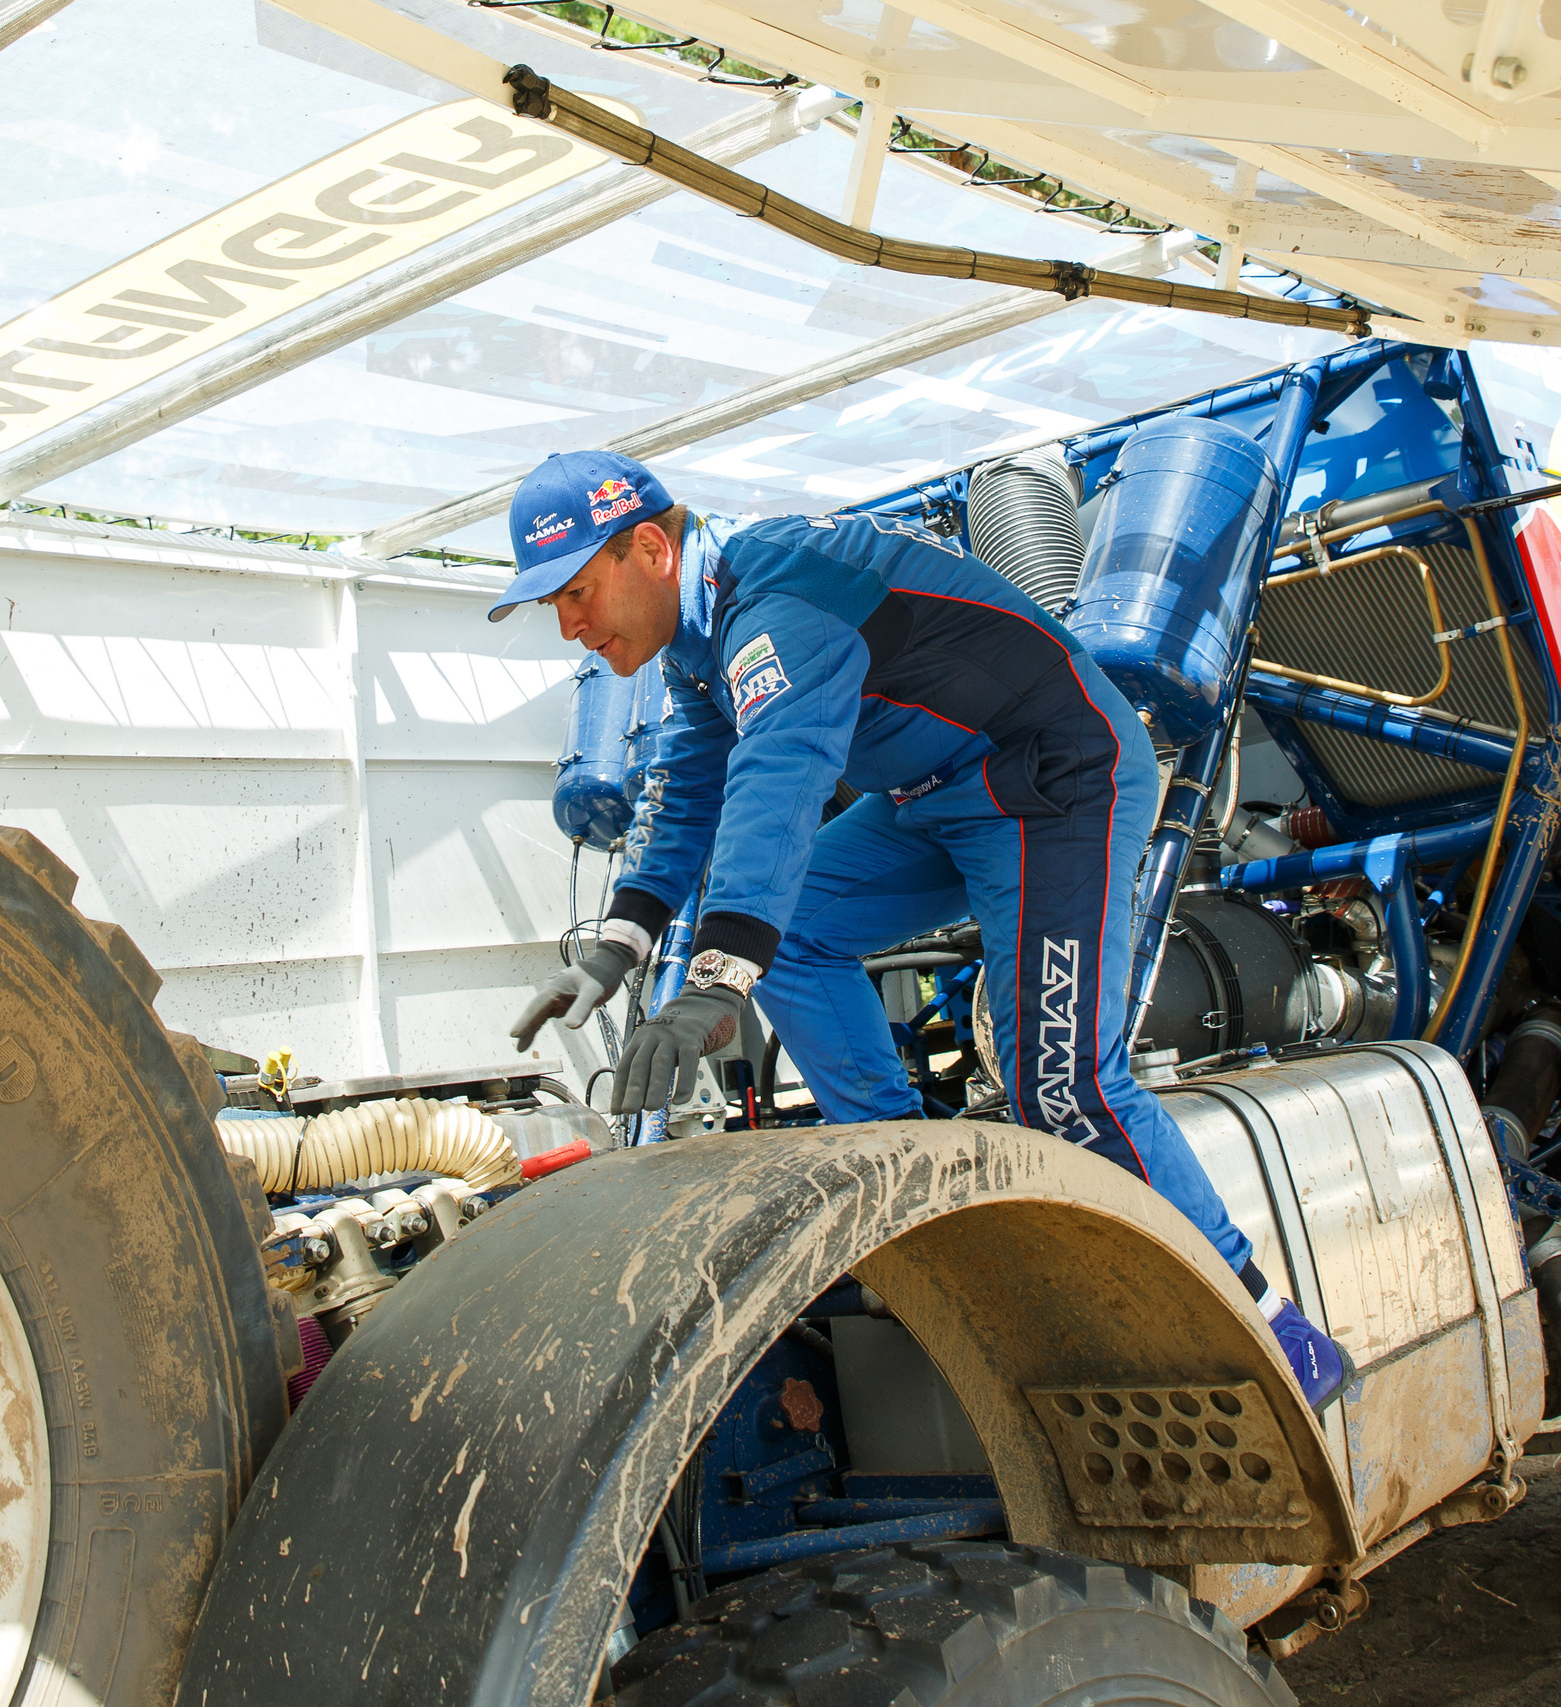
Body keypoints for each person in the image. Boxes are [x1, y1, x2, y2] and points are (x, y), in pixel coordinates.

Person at [501, 449, 1349, 1409]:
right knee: (801, 932)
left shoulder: (776, 597)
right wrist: (616, 950)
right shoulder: (701, 638)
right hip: (936, 793)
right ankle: (919, 1181)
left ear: (649, 548)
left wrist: (714, 983)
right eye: (551, 606)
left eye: (575, 591)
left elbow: (778, 781)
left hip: (1050, 776)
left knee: (1065, 1084)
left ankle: (1273, 1332)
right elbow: (690, 788)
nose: (570, 626)